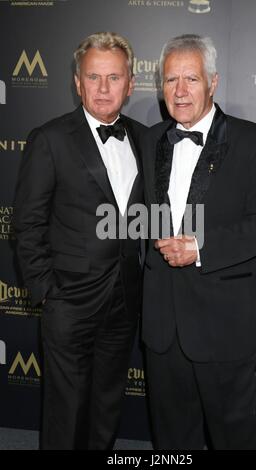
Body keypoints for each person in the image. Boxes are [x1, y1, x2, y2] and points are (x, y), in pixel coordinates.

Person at [141, 34, 256, 450]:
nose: (180, 91)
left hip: (223, 328)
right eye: (171, 80)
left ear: (213, 82)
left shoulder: (254, 141)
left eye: (191, 78)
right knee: (171, 443)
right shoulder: (150, 141)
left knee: (237, 438)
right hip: (162, 330)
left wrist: (199, 247)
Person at [13, 32, 146, 450]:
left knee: (106, 406)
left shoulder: (144, 138)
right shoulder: (50, 139)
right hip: (68, 301)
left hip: (124, 299)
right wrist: (48, 293)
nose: (103, 88)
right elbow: (27, 224)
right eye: (93, 77)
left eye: (113, 77)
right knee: (65, 410)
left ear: (130, 83)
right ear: (77, 82)